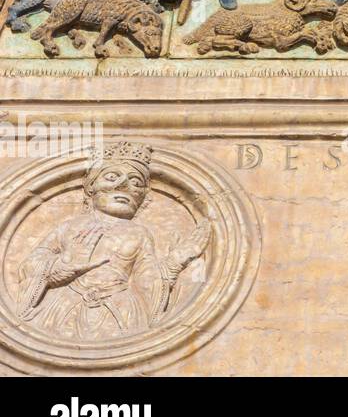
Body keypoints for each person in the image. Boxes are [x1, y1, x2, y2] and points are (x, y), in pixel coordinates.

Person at [17, 142, 209, 339]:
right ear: (92, 186)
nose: (124, 185)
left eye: (136, 182)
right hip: (64, 306)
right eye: (111, 177)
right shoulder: (68, 227)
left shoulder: (139, 233)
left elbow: (146, 277)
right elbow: (32, 263)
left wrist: (173, 263)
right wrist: (61, 265)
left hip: (120, 309)